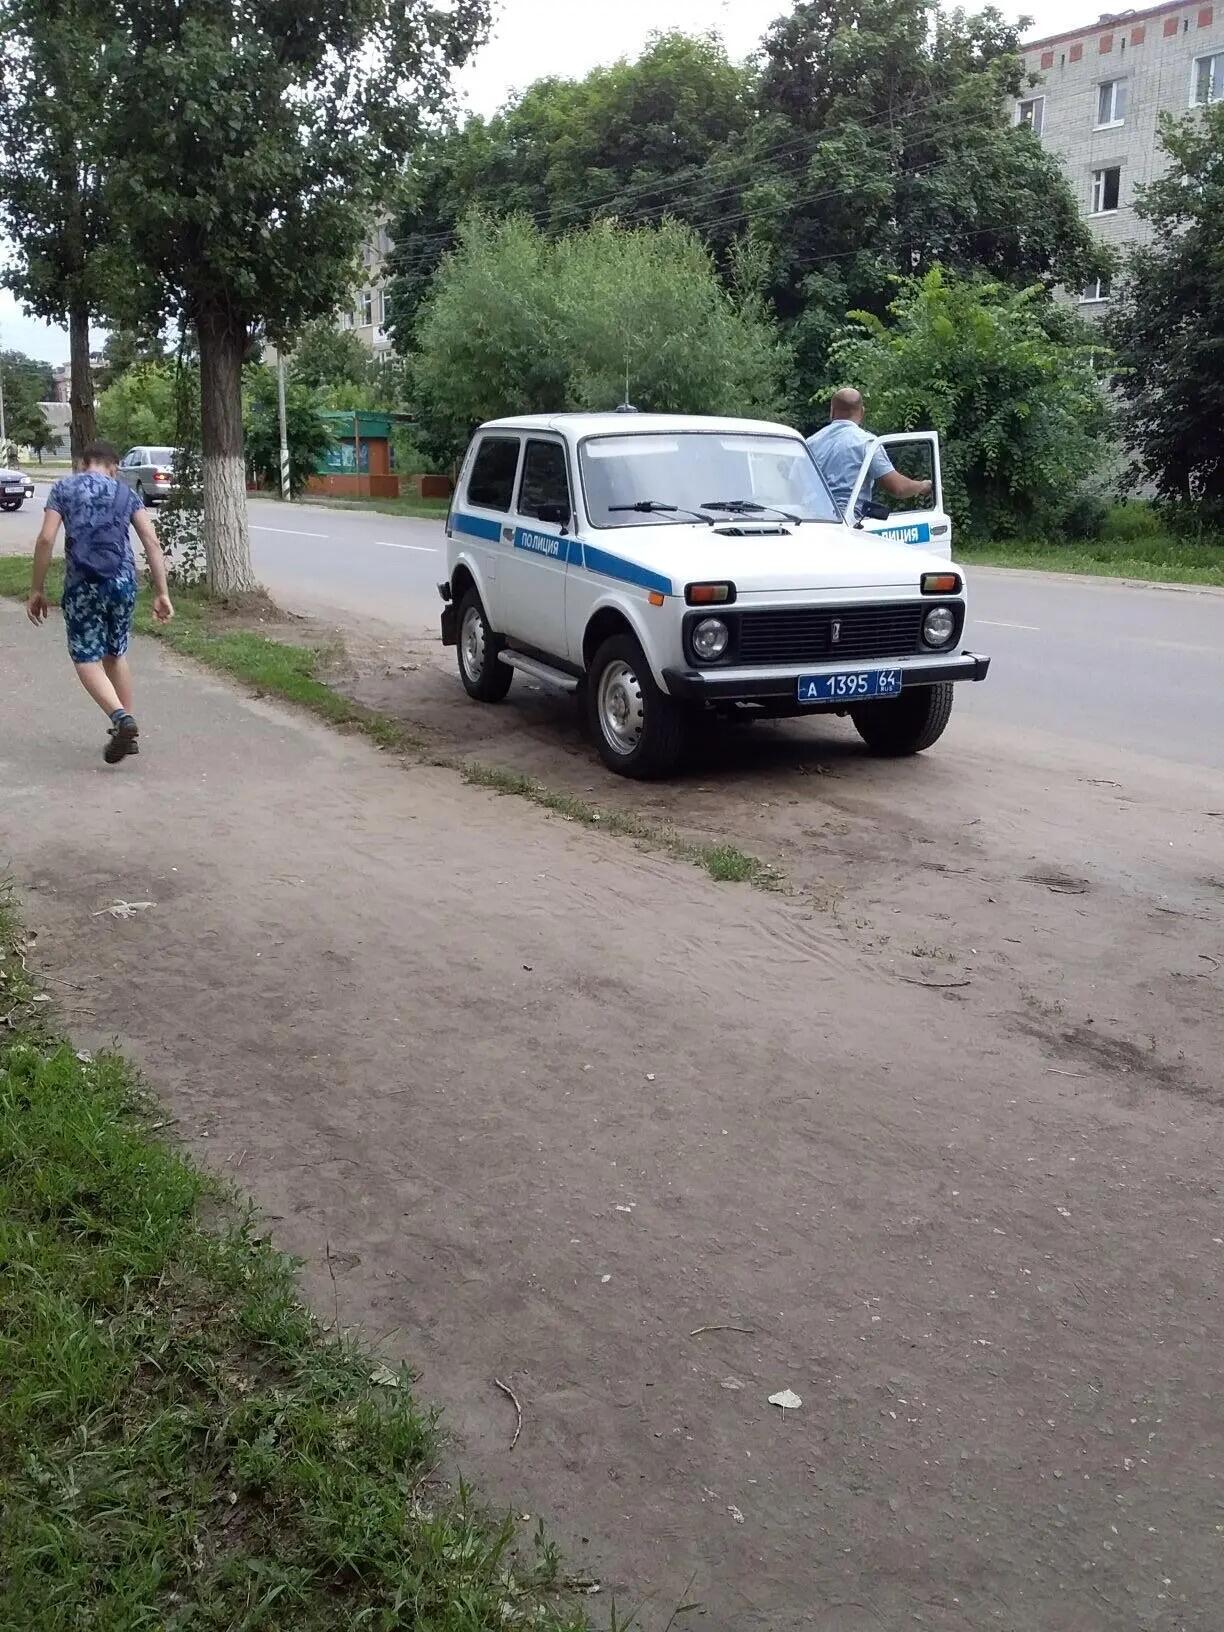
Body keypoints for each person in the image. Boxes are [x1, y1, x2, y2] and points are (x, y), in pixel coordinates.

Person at [26, 440, 175, 764]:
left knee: (85, 658)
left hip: (83, 585)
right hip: (122, 583)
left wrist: (37, 589)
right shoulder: (126, 493)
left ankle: (121, 719)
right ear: (114, 467)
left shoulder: (64, 488)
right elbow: (151, 540)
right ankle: (127, 733)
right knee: (115, 652)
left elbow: (46, 538)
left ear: (83, 463)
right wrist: (162, 593)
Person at [807, 387, 932, 522]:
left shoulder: (809, 443)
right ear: (862, 412)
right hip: (848, 523)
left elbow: (794, 484)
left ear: (831, 411)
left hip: (812, 521)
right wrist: (923, 486)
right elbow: (898, 488)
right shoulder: (867, 443)